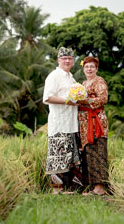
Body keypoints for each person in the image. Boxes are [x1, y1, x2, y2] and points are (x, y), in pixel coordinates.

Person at [42, 47, 82, 194]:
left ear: (73, 61)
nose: (67, 61)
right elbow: (47, 97)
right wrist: (67, 101)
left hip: (71, 123)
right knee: (57, 156)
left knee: (69, 157)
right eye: (64, 58)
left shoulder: (71, 77)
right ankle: (56, 190)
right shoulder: (54, 76)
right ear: (59, 60)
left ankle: (67, 188)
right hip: (59, 123)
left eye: (70, 58)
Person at [78, 56, 109, 196]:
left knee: (98, 151)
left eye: (92, 67)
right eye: (86, 67)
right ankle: (93, 186)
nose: (89, 69)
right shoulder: (83, 83)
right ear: (83, 69)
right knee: (89, 152)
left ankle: (100, 188)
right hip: (85, 122)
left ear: (96, 69)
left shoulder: (99, 81)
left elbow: (103, 98)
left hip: (96, 121)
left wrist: (86, 100)